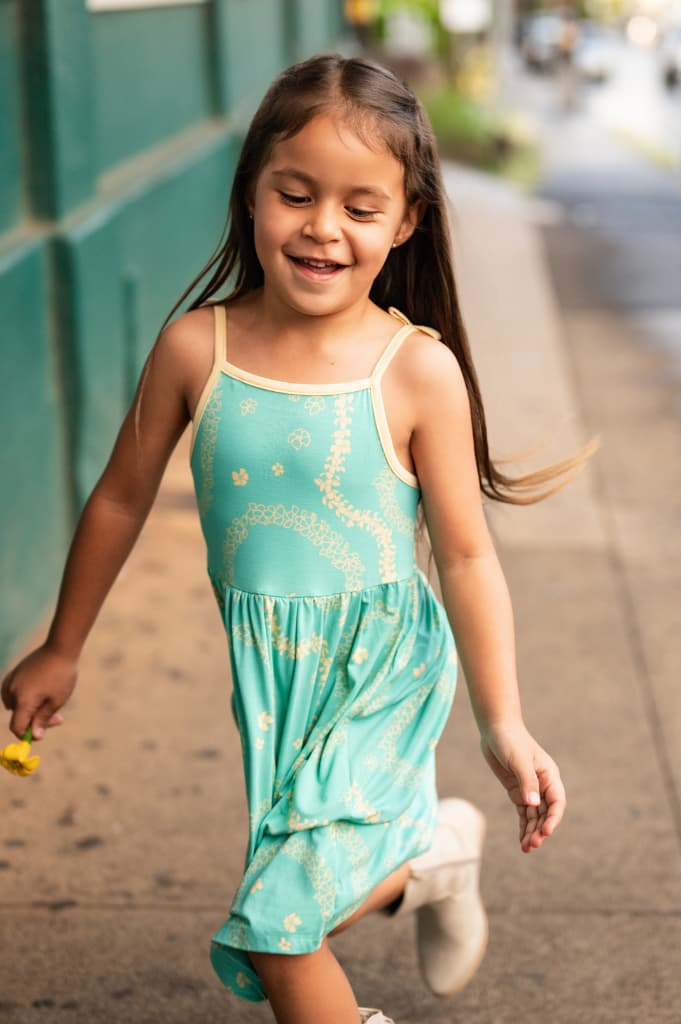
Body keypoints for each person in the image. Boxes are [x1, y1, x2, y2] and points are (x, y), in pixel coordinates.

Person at [0, 54, 594, 1024]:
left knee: (278, 926)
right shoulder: (199, 348)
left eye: (362, 207)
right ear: (250, 196)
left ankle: (422, 859)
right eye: (296, 194)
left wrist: (502, 720)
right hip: (275, 680)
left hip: (381, 673)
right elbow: (118, 497)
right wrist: (64, 643)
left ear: (406, 223)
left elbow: (467, 556)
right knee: (299, 898)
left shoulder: (415, 372)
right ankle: (436, 854)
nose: (324, 227)